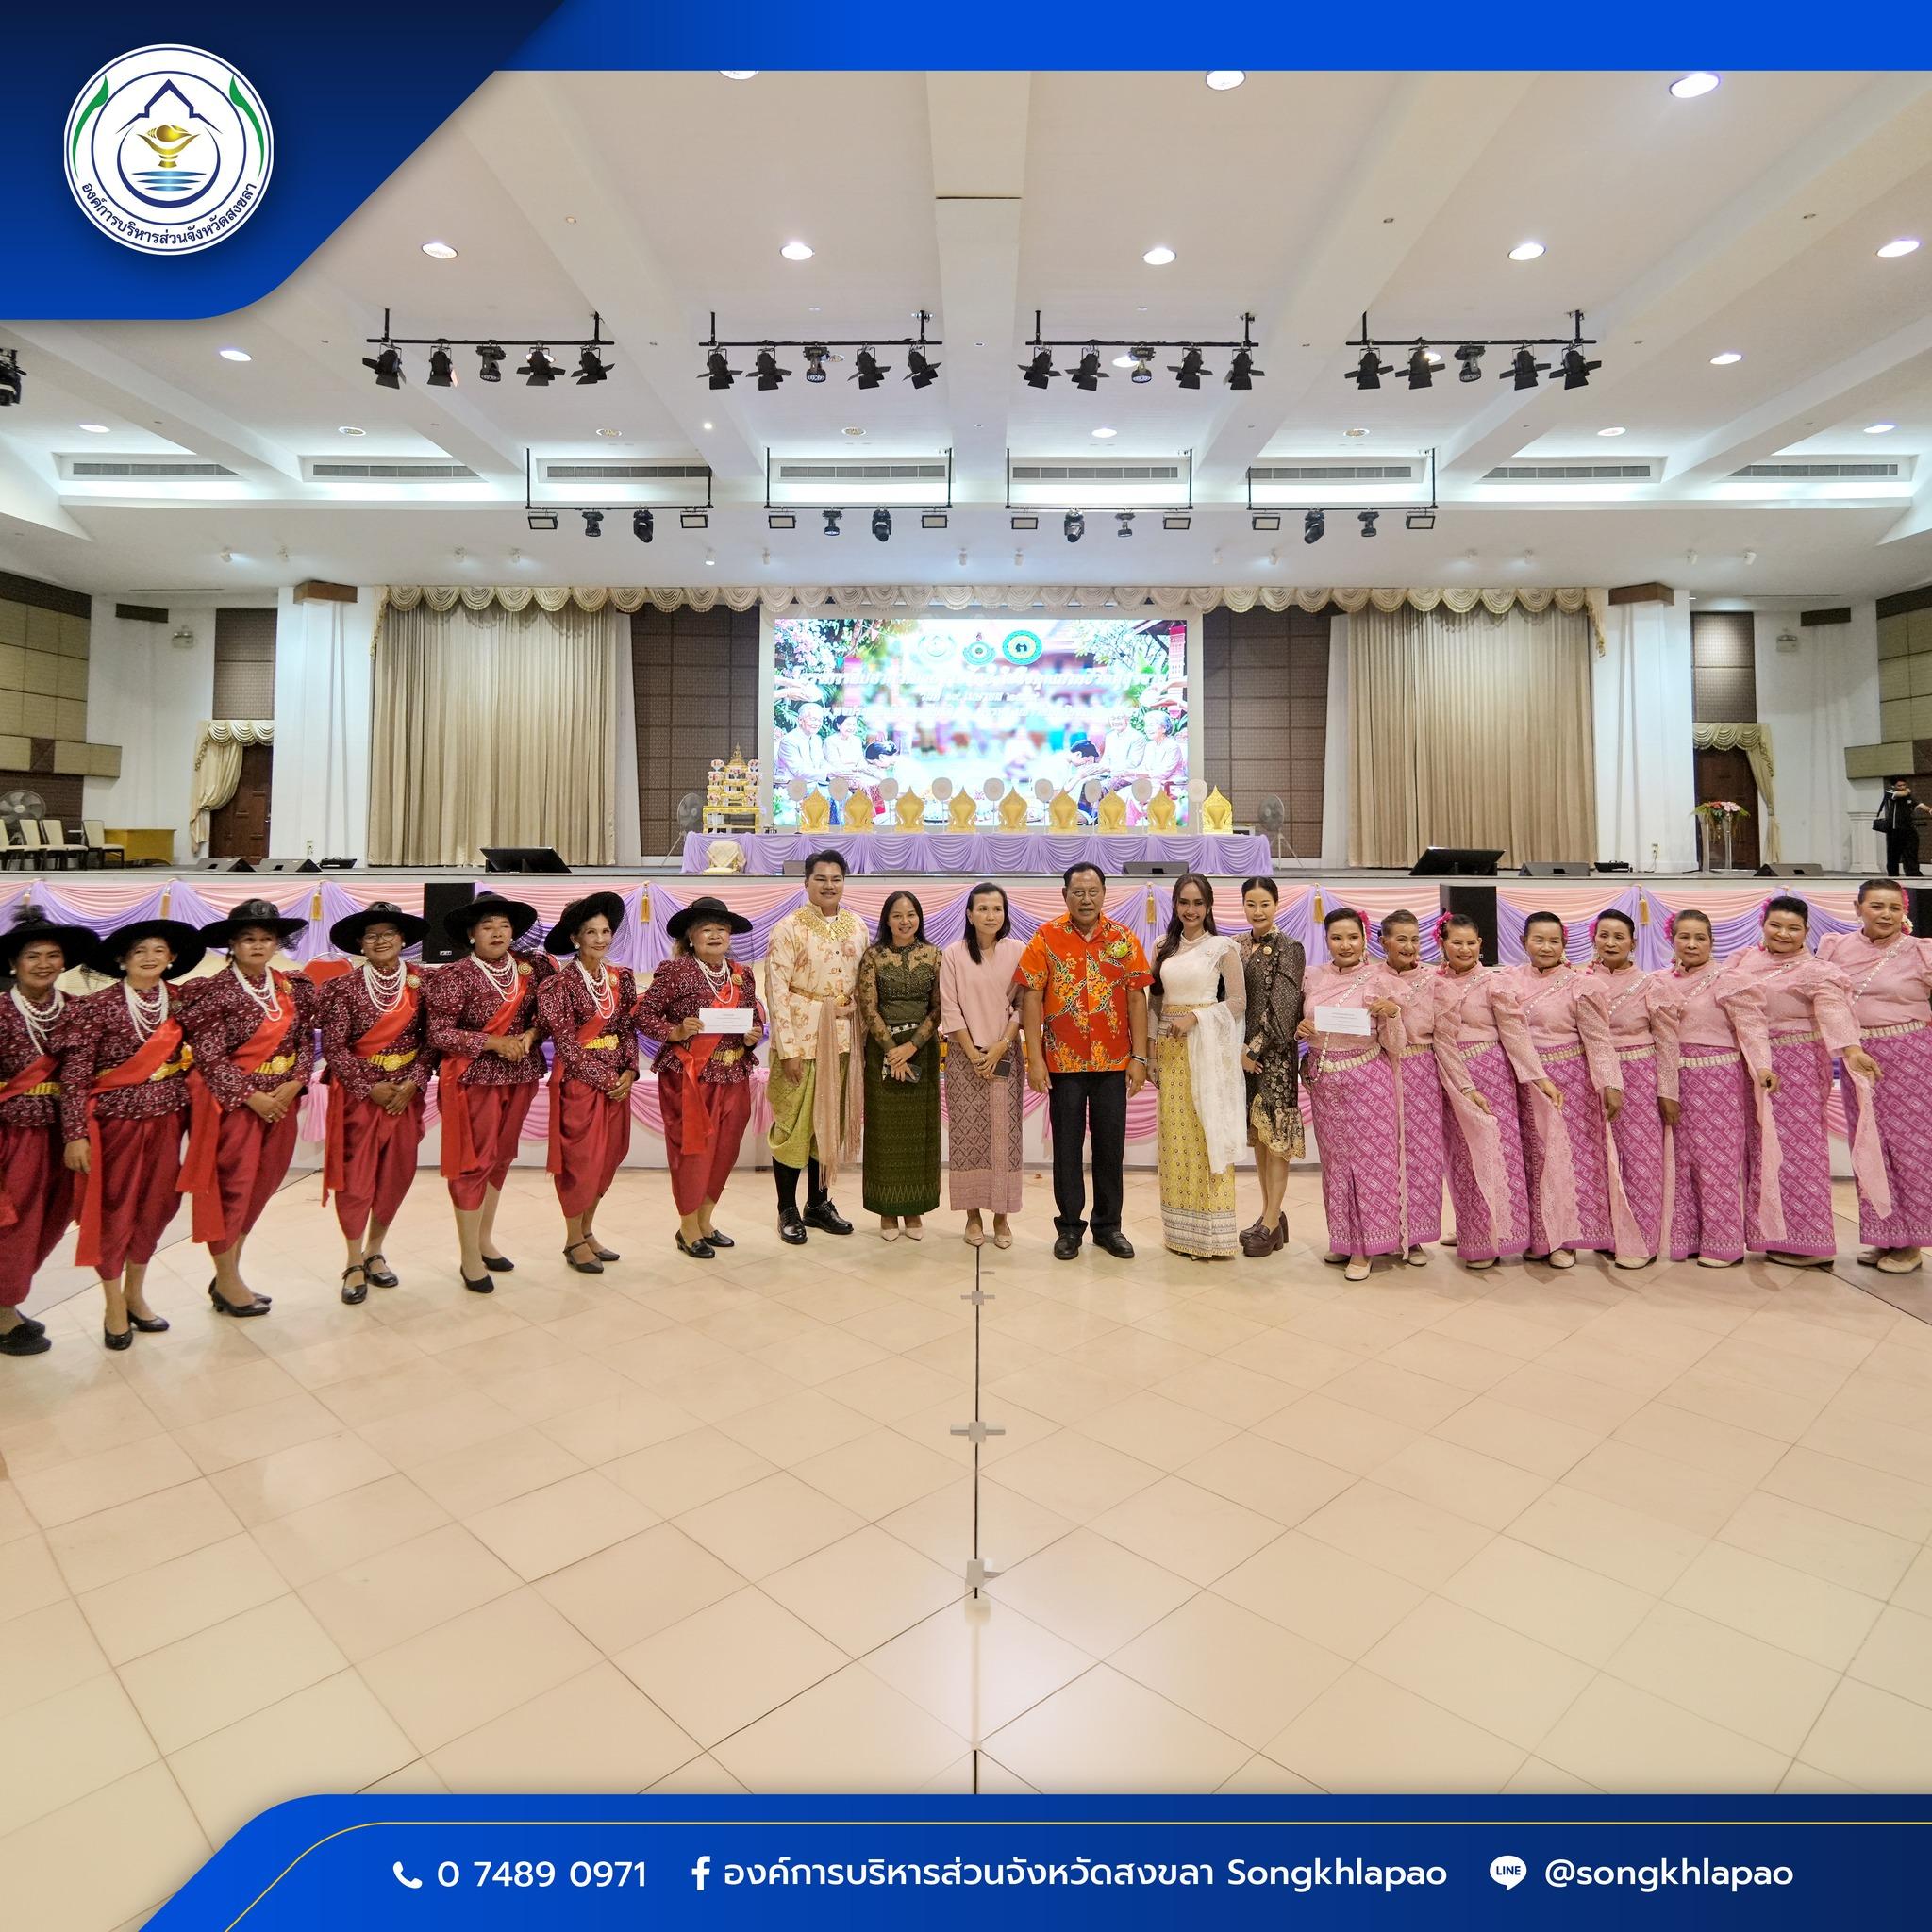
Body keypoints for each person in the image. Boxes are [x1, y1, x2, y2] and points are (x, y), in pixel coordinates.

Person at [58, 916, 205, 1349]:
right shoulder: (94, 1007)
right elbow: (75, 1077)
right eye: (139, 951)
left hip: (168, 1121)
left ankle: (135, 1294)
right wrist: (75, 1134)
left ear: (172, 958)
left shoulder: (183, 1001)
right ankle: (112, 1305)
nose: (149, 957)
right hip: (114, 1126)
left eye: (158, 950)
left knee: (157, 1208)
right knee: (114, 1211)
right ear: (122, 960)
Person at [178, 898, 319, 1316]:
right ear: (232, 945)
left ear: (276, 944)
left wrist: (297, 1081)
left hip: (282, 1102)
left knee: (260, 1188)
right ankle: (227, 1278)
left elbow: (304, 1041)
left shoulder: (292, 986)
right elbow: (209, 1057)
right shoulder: (211, 991)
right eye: (248, 939)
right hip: (236, 1107)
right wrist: (251, 1097)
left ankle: (229, 1275)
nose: (258, 946)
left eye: (265, 938)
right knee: (232, 1190)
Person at [1732, 895, 1876, 1267]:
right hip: (1749, 1064)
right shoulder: (1743, 962)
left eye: (1793, 928)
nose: (1783, 933)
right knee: (1761, 1149)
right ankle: (1774, 1235)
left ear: (1806, 931)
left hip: (1796, 1066)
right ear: (1763, 925)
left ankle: (1810, 1242)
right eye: (1776, 925)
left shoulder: (1815, 971)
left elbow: (1833, 1009)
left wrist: (1851, 1049)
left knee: (1798, 1150)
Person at [1019, 862, 1150, 1261]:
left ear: (1104, 894)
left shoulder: (1124, 939)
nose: (1086, 899)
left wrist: (1139, 1056)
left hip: (1113, 1062)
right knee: (1067, 1148)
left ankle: (1108, 1227)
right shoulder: (1046, 937)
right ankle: (1069, 1228)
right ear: (1065, 896)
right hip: (1063, 1064)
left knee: (1110, 1148)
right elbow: (1031, 998)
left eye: (1093, 892)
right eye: (1078, 892)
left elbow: (1136, 998)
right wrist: (1035, 1058)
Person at [423, 891, 553, 1292]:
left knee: (500, 1159)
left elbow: (547, 1015)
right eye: (487, 926)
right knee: (472, 1164)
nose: (497, 933)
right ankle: (468, 1257)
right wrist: (494, 1042)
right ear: (471, 934)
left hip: (521, 1075)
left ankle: (484, 1240)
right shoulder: (453, 976)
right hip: (472, 1081)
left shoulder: (533, 968)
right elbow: (439, 1033)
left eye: (504, 926)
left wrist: (532, 1034)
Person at [637, 895, 766, 1260]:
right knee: (692, 1152)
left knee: (725, 1152)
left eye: (721, 929)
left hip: (734, 1074)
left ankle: (705, 1220)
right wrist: (675, 1031)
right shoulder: (674, 971)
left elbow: (753, 1017)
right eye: (706, 929)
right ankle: (687, 1227)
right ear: (691, 937)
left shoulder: (742, 974)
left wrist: (753, 1033)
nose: (715, 935)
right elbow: (644, 1015)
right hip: (689, 1076)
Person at [319, 901, 431, 1306]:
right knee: (356, 1180)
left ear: (402, 939)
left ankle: (375, 1251)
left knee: (395, 1177)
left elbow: (432, 1041)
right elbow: (334, 1047)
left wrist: (413, 1082)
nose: (381, 941)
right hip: (360, 1099)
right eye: (371, 935)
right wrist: (370, 1088)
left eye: (388, 934)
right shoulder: (342, 988)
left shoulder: (424, 983)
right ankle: (353, 1260)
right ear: (360, 944)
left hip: (405, 1096)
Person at [1820, 878, 1932, 1274]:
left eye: (1894, 908)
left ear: (1904, 912)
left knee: (1908, 1148)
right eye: (1877, 906)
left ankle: (1911, 1244)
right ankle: (1885, 1235)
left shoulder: (1920, 951)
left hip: (1910, 1057)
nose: (1886, 915)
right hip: (1857, 1057)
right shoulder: (1836, 949)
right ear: (1858, 908)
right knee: (1868, 1146)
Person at [0, 909, 97, 1357]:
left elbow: (77, 1079)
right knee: (12, 1223)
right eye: (33, 956)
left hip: (58, 1134)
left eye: (52, 955)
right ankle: (3, 1312)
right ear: (14, 963)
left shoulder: (77, 1010)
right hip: (10, 1135)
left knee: (50, 1220)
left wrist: (76, 1135)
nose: (44, 964)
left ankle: (8, 1297)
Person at [1297, 908, 1406, 1281]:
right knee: (1335, 1164)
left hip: (1367, 1080)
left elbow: (1397, 1043)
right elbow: (1305, 1024)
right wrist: (1301, 1028)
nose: (1346, 945)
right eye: (1337, 938)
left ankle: (1366, 1248)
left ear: (1364, 940)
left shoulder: (1381, 978)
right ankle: (1343, 1239)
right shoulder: (1313, 977)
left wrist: (1393, 1014)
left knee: (1369, 1165)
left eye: (1353, 937)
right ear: (1327, 940)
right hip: (1325, 1084)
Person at [766, 849, 866, 1244]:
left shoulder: (857, 926)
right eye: (821, 878)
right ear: (806, 882)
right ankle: (786, 1208)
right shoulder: (788, 928)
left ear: (844, 883)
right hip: (803, 1042)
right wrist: (788, 1050)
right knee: (795, 1126)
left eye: (836, 878)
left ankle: (818, 1204)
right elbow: (776, 992)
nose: (829, 885)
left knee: (829, 1124)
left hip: (843, 1043)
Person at [1666, 908, 1776, 1268]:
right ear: (1673, 940)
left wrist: (1762, 1066)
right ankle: (1687, 1239)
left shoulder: (1729, 980)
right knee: (1682, 1162)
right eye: (1685, 937)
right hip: (1675, 1082)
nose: (1692, 944)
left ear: (1712, 942)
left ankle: (1723, 1243)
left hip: (1719, 1083)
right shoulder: (1660, 982)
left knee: (1718, 1163)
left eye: (1700, 937)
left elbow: (1752, 1026)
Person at [1508, 912, 1619, 1269]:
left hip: (1569, 1082)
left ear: (1565, 944)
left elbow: (1598, 1039)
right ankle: (1538, 1237)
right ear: (1524, 942)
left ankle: (1566, 1241)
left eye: (1554, 941)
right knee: (1532, 1160)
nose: (1546, 947)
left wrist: (1610, 1082)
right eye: (1538, 940)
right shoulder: (1509, 981)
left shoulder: (1580, 985)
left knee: (1565, 1160)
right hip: (1523, 1082)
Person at [537, 892, 639, 1274]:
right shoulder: (556, 985)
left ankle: (587, 1229)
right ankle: (572, 1239)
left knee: (608, 1158)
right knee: (581, 1163)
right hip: (580, 1085)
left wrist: (629, 1071)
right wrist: (607, 1078)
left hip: (618, 1084)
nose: (600, 939)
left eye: (605, 931)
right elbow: (565, 1044)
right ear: (575, 938)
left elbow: (627, 1029)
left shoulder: (621, 978)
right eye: (591, 932)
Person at [1433, 912, 1541, 1272]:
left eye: (1471, 943)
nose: (1464, 949)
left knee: (1495, 1154)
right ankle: (1473, 1229)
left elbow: (1515, 1033)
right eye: (1456, 942)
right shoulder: (1433, 982)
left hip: (1491, 1076)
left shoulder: (1494, 983)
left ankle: (1499, 1236)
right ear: (1443, 944)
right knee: (1461, 1157)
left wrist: (1537, 1078)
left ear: (1480, 944)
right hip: (1450, 1076)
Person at [1148, 874, 1247, 1260]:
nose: (1190, 910)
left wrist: (1196, 1018)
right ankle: (1180, 1233)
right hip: (1170, 1051)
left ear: (1208, 906)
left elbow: (1237, 1002)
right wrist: (1151, 1053)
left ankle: (1211, 1236)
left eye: (1198, 903)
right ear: (1175, 904)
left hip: (1205, 1050)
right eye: (1184, 902)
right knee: (1176, 1140)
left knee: (1207, 1133)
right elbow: (1156, 1003)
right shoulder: (1163, 946)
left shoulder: (1222, 947)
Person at [1578, 909, 1682, 1268]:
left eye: (1619, 936)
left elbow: (1667, 1042)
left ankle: (1642, 1242)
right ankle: (1610, 1235)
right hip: (1590, 1077)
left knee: (1640, 1160)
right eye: (1604, 935)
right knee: (1601, 1159)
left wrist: (1668, 1091)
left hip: (1640, 1077)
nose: (1610, 943)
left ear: (1633, 943)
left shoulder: (1651, 986)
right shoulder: (1579, 981)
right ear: (1594, 939)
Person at [940, 883, 1024, 1249]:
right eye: (983, 909)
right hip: (965, 1058)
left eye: (997, 909)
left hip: (1005, 1055)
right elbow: (949, 1007)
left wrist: (1002, 1044)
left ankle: (1001, 1216)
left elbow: (1024, 1004)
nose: (991, 915)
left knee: (1005, 1138)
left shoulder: (1018, 951)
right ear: (970, 915)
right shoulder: (954, 954)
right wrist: (974, 1054)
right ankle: (972, 1215)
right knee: (967, 1137)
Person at [858, 891, 943, 1239]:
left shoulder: (934, 955)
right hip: (883, 1051)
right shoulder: (873, 956)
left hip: (921, 1050)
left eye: (911, 914)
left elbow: (939, 1008)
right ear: (887, 920)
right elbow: (868, 1007)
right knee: (885, 1133)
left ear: (919, 918)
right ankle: (887, 1211)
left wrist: (912, 1046)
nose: (905, 921)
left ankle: (915, 1209)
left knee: (921, 1134)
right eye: (897, 915)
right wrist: (892, 1050)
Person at [1237, 878, 1305, 1257]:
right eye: (1251, 904)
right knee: (1261, 1139)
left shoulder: (1290, 948)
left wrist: (1254, 1049)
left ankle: (1272, 1219)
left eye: (1264, 904)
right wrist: (1240, 1051)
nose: (1258, 911)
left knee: (1276, 1141)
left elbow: (1284, 1008)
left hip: (1274, 1058)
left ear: (1276, 905)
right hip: (1244, 1058)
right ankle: (1269, 1215)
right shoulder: (1237, 946)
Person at [1378, 909, 1445, 1265]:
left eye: (1415, 939)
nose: (1409, 946)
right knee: (1384, 1157)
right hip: (1380, 1070)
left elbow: (1446, 1034)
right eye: (1401, 939)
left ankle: (1416, 1238)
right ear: (1383, 942)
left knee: (1422, 1155)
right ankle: (1383, 1233)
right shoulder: (1370, 979)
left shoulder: (1435, 979)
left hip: (1422, 1071)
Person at [1873, 776, 1924, 877]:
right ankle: (1893, 875)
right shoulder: (1889, 792)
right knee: (1893, 854)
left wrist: (1928, 809)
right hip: (1894, 829)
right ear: (1893, 786)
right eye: (1899, 785)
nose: (1902, 787)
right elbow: (1902, 793)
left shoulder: (1908, 796)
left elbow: (1919, 804)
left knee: (1911, 851)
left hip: (1908, 829)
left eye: (1904, 785)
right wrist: (1907, 791)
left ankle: (1913, 873)